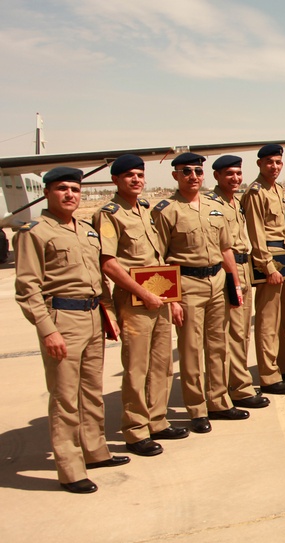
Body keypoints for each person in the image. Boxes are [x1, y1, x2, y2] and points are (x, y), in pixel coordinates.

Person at [15, 166, 126, 493]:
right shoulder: (34, 232)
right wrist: (47, 330)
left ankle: (94, 450)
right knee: (65, 396)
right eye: (62, 189)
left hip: (92, 316)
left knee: (91, 390)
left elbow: (98, 280)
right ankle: (70, 468)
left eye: (75, 190)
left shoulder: (87, 231)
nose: (70, 195)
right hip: (62, 318)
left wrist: (109, 316)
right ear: (47, 193)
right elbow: (28, 287)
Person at [153, 153, 248, 433]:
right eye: (186, 171)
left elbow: (225, 249)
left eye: (197, 171)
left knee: (218, 345)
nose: (193, 176)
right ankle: (197, 408)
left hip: (217, 281)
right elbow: (158, 258)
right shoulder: (166, 210)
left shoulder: (213, 207)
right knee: (191, 350)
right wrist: (171, 300)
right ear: (175, 176)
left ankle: (219, 401)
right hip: (187, 285)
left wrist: (234, 285)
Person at [95, 154, 184, 459]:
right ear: (115, 180)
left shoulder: (144, 210)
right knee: (136, 367)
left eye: (139, 174)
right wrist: (143, 294)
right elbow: (109, 263)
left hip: (159, 295)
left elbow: (159, 257)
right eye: (129, 175)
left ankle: (157, 420)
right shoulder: (109, 214)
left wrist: (172, 300)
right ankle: (135, 430)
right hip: (134, 300)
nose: (136, 179)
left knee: (161, 363)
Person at [209, 155, 270, 410]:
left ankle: (237, 384)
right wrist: (234, 280)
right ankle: (236, 390)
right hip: (229, 270)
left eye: (238, 173)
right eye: (229, 174)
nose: (235, 178)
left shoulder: (235, 201)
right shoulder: (213, 204)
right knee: (230, 334)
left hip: (243, 267)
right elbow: (222, 247)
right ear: (217, 176)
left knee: (242, 332)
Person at [242, 143, 285, 395]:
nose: (274, 166)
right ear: (259, 164)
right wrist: (266, 266)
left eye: (277, 162)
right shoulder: (256, 192)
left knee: (282, 319)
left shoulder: (277, 189)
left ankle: (283, 365)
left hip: (283, 256)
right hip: (269, 259)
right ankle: (268, 375)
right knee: (268, 320)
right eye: (269, 162)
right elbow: (255, 233)